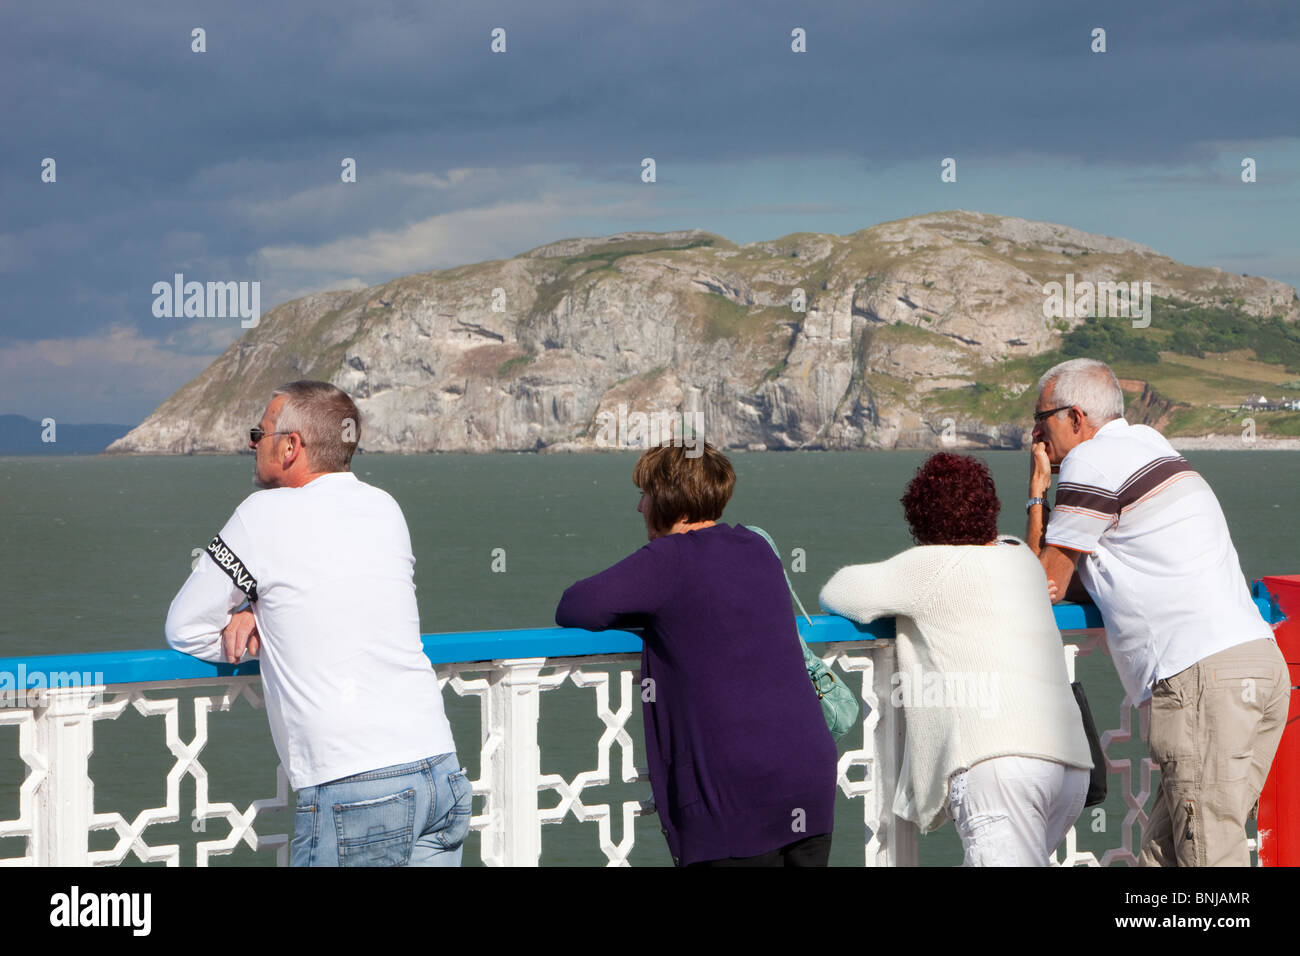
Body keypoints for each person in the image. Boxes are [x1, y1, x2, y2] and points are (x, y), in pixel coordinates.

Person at [165, 380, 469, 867]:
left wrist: (257, 626)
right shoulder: (384, 507)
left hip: (353, 782)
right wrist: (266, 614)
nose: (251, 444)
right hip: (438, 769)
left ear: (290, 447)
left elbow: (185, 627)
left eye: (258, 433)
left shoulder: (262, 514)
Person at [1026, 357, 1289, 867]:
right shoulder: (1150, 443)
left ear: (1077, 418)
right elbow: (1093, 571)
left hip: (1201, 682)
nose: (1037, 435)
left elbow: (1045, 583)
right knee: (1163, 857)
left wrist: (1037, 491)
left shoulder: (1089, 463)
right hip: (1258, 666)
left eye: (1043, 420)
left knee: (1207, 862)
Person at [555, 442, 838, 867]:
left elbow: (574, 606)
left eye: (645, 494)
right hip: (807, 777)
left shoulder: (666, 560)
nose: (639, 506)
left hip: (733, 795)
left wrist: (648, 614)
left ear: (668, 500)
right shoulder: (756, 547)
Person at [820, 452, 1093, 866]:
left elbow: (839, 591)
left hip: (1001, 769)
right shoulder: (1020, 557)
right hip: (1069, 766)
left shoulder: (930, 567)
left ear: (922, 519)